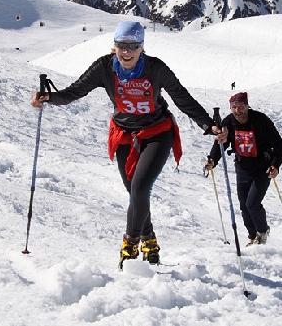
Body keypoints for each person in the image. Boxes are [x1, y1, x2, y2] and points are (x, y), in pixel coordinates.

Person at [30, 21, 218, 267]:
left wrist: (208, 124)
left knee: (140, 187)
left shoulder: (155, 69)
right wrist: (49, 97)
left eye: (133, 46)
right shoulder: (105, 68)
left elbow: (182, 98)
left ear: (142, 48)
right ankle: (149, 239)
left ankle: (130, 245)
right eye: (121, 45)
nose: (127, 51)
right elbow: (76, 91)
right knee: (134, 192)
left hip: (157, 132)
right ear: (114, 46)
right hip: (124, 135)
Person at [204, 92, 282, 246]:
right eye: (234, 107)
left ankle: (262, 231)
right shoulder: (228, 122)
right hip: (242, 168)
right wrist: (212, 159)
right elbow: (221, 142)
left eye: (241, 107)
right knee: (243, 205)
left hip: (262, 169)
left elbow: (277, 143)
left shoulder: (261, 121)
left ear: (247, 106)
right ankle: (252, 236)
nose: (237, 111)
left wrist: (275, 165)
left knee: (252, 204)